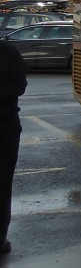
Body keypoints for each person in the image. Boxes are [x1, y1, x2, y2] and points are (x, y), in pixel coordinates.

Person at [0, 33, 27, 255]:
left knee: (2, 183)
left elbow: (19, 85)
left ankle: (0, 237)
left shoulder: (9, 53)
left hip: (5, 128)